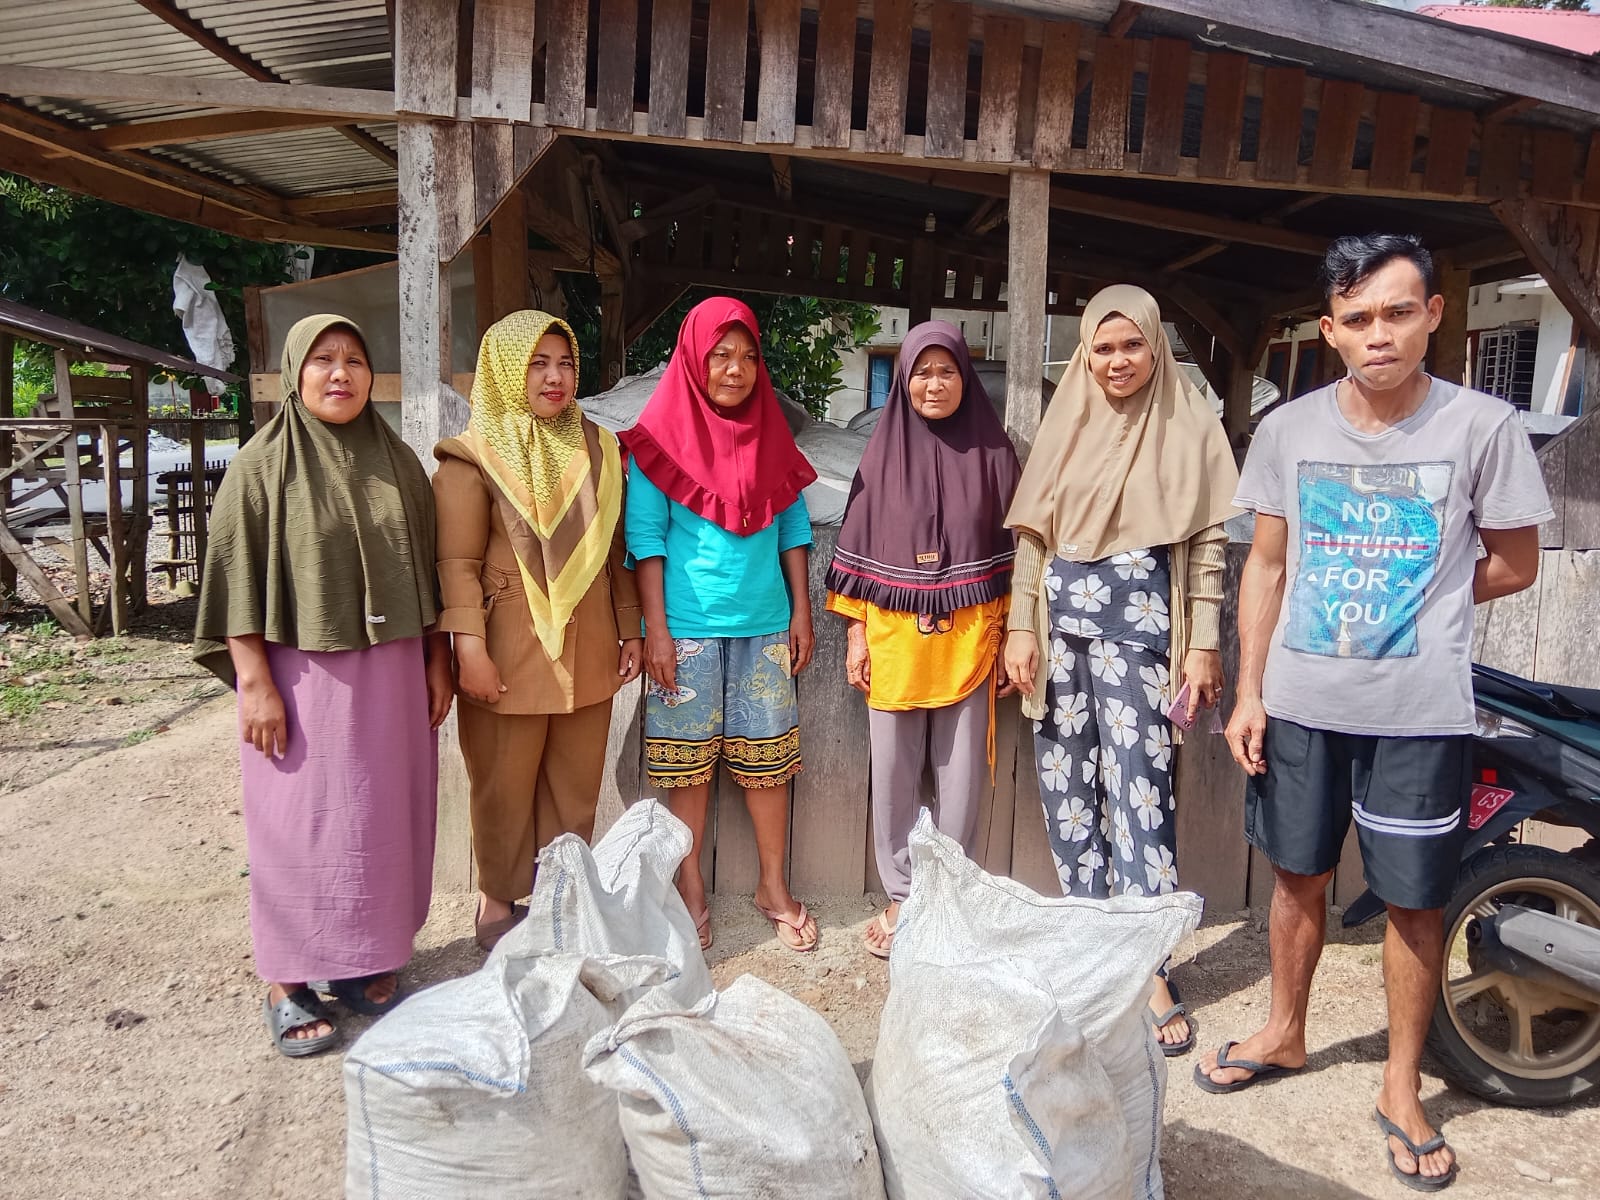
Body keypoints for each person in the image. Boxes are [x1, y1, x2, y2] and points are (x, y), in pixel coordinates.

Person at [1201, 234, 1550, 1192]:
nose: (1379, 334)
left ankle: (1400, 1083)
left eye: (1399, 312)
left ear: (1436, 314)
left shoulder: (1483, 429)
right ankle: (1285, 1032)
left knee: (1413, 897)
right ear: (1330, 331)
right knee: (1296, 877)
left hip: (1420, 711)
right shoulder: (1290, 431)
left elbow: (1516, 564)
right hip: (1303, 703)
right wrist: (1251, 690)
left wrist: (1423, 594)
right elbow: (1265, 566)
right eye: (1357, 319)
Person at [194, 314, 453, 1057]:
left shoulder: (399, 462)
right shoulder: (259, 466)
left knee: (379, 817)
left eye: (354, 359)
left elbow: (426, 571)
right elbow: (235, 578)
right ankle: (287, 979)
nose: (340, 373)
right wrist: (254, 682)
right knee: (301, 822)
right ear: (294, 374)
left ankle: (366, 960)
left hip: (393, 671)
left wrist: (436, 661)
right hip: (300, 678)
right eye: (322, 360)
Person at [1004, 284, 1239, 1056]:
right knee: (1068, 790)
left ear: (1153, 346)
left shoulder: (1188, 423)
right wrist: (1021, 627)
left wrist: (1203, 642)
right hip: (1060, 640)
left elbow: (1206, 549)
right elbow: (1033, 543)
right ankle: (1094, 944)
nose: (1115, 361)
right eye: (1101, 348)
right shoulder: (1064, 422)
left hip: (1141, 638)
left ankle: (1149, 966)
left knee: (1142, 789)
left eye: (1130, 345)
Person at [433, 310, 643, 952]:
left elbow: (614, 554)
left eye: (565, 363)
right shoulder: (470, 458)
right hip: (507, 650)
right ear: (504, 369)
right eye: (537, 364)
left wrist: (630, 628)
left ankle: (560, 898)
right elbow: (457, 565)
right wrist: (468, 646)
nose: (555, 377)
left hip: (591, 645)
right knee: (503, 781)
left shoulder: (600, 448)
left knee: (576, 784)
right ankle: (496, 902)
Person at [622, 296, 819, 953]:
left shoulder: (772, 434)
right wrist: (656, 630)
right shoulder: (657, 440)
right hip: (686, 631)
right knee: (688, 768)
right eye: (720, 355)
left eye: (748, 356)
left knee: (768, 765)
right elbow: (646, 540)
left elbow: (793, 527)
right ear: (693, 359)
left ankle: (772, 885)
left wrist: (802, 610)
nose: (735, 369)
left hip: (765, 628)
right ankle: (690, 890)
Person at [825, 320, 1021, 957]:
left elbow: (1018, 556)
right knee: (894, 777)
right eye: (922, 371)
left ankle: (952, 896)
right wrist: (857, 636)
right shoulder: (880, 457)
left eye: (947, 371)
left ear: (965, 376)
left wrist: (1011, 636)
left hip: (968, 641)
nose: (934, 384)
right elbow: (855, 545)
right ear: (903, 380)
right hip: (895, 644)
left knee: (962, 780)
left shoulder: (995, 456)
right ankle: (904, 895)